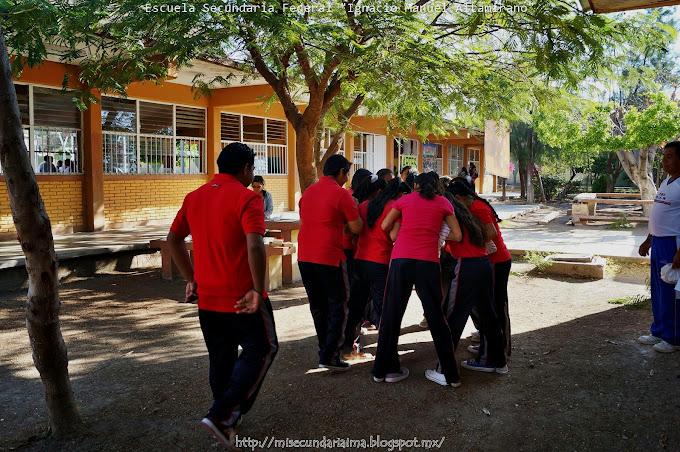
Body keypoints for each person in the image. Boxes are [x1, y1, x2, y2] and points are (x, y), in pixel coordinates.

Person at [166, 142, 278, 448]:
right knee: (264, 348)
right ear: (245, 169)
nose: (252, 174)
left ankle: (225, 417)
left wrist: (192, 279)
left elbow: (173, 240)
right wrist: (258, 290)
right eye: (252, 169)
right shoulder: (247, 198)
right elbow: (255, 244)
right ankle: (223, 415)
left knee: (221, 356)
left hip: (209, 298)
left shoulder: (194, 197)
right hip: (243, 295)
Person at [372, 172, 463, 387]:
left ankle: (379, 371)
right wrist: (433, 233)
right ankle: (452, 376)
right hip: (428, 263)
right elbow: (457, 235)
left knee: (391, 314)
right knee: (436, 318)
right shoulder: (443, 203)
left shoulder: (403, 200)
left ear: (415, 185)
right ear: (437, 187)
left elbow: (385, 226)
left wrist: (408, 229)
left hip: (401, 260)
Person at [298, 155, 362, 370]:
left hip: (305, 256)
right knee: (338, 305)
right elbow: (356, 228)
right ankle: (330, 355)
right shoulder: (341, 194)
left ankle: (323, 349)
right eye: (347, 173)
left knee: (318, 306)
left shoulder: (308, 192)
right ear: (342, 172)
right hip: (329, 257)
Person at [445, 179, 510, 374]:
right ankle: (490, 350)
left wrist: (465, 235)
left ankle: (497, 352)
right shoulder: (471, 207)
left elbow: (489, 233)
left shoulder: (478, 208)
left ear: (459, 198)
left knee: (495, 309)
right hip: (487, 262)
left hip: (495, 262)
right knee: (487, 310)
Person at [342, 176, 397, 358]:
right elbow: (394, 237)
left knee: (356, 307)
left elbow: (350, 231)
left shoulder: (363, 206)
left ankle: (348, 348)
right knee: (384, 309)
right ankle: (386, 354)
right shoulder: (392, 208)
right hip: (380, 262)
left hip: (360, 261)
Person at [638, 141, 680, 353]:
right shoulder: (666, 182)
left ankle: (673, 338)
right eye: (664, 156)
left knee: (670, 292)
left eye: (669, 156)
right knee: (658, 290)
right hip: (658, 242)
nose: (664, 160)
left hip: (673, 244)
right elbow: (659, 215)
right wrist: (648, 239)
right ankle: (659, 331)